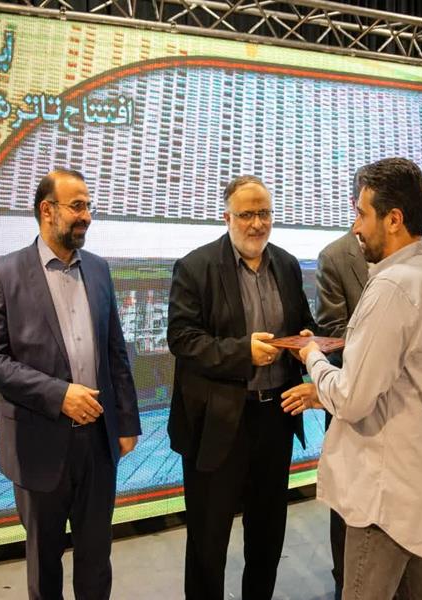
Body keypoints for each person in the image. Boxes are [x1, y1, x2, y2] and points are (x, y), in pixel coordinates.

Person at [281, 157, 422, 599]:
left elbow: (352, 399)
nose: (356, 227)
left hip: (387, 500)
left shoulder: (393, 287)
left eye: (362, 214)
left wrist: (312, 357)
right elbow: (407, 383)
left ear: (394, 219)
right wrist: (326, 389)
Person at [0, 169, 140, 600]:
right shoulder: (4, 274)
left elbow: (116, 351)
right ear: (47, 211)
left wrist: (126, 422)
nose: (87, 216)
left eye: (89, 206)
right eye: (77, 206)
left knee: (96, 560)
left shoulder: (98, 270)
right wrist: (59, 395)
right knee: (45, 566)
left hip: (98, 444)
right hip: (37, 445)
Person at [167, 175, 316, 600]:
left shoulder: (286, 265)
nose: (257, 223)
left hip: (275, 419)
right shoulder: (195, 267)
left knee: (267, 534)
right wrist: (242, 352)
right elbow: (182, 339)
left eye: (264, 213)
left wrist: (305, 340)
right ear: (227, 217)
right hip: (217, 425)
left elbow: (302, 322)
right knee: (208, 540)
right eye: (247, 214)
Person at [314, 225, 369, 600]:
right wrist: (383, 347)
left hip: (395, 402)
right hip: (346, 390)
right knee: (347, 495)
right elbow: (332, 331)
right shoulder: (334, 257)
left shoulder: (407, 257)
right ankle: (344, 580)